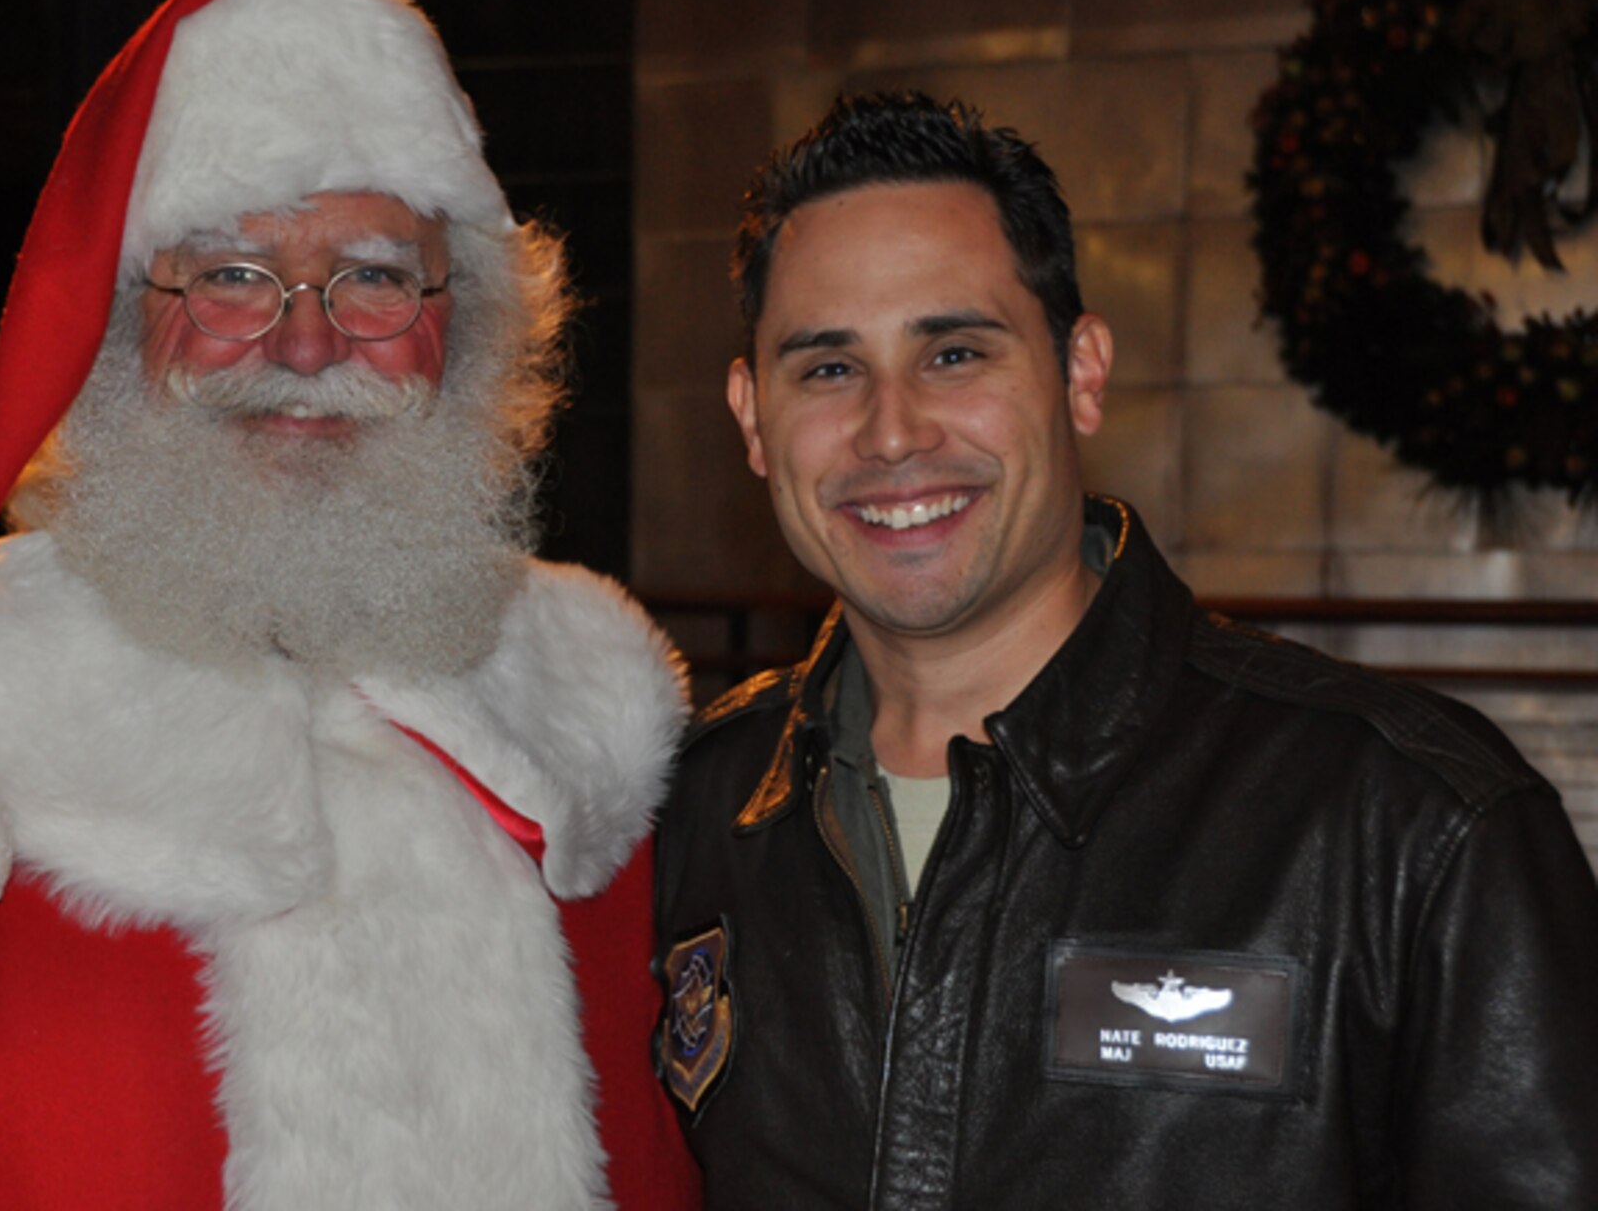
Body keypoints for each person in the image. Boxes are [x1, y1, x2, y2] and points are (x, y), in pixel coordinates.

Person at [0, 0, 699, 1210]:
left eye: (378, 277)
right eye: (229, 274)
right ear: (116, 330)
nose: (302, 340)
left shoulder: (604, 732)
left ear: (470, 333)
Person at [651, 90, 1598, 1209]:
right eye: (825, 368)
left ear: (1080, 371)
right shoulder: (684, 815)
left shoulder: (1406, 827)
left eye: (953, 351)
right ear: (751, 418)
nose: (891, 430)